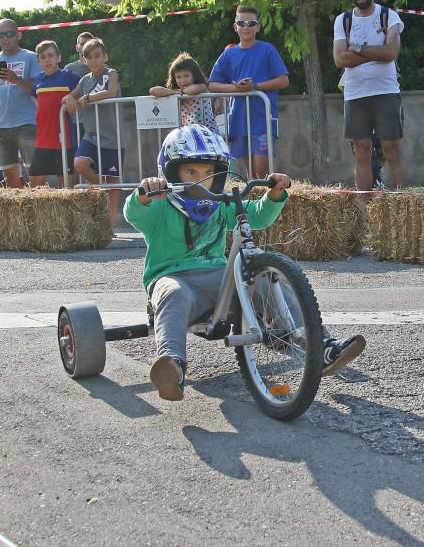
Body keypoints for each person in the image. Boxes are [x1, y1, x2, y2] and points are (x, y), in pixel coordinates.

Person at [124, 124, 366, 401]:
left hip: (219, 280)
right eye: (191, 172)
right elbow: (133, 212)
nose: (201, 182)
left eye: (208, 174)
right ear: (169, 172)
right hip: (174, 279)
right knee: (173, 293)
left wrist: (273, 195)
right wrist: (144, 193)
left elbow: (258, 217)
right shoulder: (158, 206)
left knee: (263, 278)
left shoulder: (220, 203)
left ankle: (320, 346)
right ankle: (172, 367)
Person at [333, 0, 407, 191]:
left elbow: (391, 53)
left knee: (391, 149)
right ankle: (364, 209)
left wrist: (356, 49)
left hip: (386, 92)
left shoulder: (389, 15)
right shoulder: (343, 20)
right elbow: (339, 59)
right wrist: (377, 51)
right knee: (361, 152)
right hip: (355, 94)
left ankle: (400, 206)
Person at [208, 7, 290, 179]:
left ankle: (266, 204)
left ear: (258, 26)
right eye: (241, 23)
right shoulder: (228, 54)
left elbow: (283, 80)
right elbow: (213, 84)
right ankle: (253, 205)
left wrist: (255, 87)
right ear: (235, 26)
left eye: (250, 23)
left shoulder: (267, 49)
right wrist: (234, 88)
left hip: (262, 119)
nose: (246, 27)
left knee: (261, 174)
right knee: (251, 175)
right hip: (239, 119)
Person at [62, 37, 124, 224]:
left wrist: (87, 98)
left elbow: (111, 92)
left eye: (97, 56)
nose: (94, 60)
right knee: (80, 164)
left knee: (114, 182)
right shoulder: (83, 79)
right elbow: (68, 97)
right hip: (91, 135)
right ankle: (100, 185)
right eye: (89, 57)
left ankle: (109, 225)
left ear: (105, 56)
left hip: (113, 136)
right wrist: (70, 99)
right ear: (84, 60)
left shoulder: (111, 73)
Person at [0, 18, 42, 189]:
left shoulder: (31, 57)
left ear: (18, 35)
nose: (5, 38)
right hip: (1, 127)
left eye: (10, 34)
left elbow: (39, 89)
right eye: (1, 35)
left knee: (35, 175)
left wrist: (17, 80)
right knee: (9, 178)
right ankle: (22, 215)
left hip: (27, 124)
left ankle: (36, 213)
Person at [30, 41, 81, 188]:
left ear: (58, 58)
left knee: (66, 185)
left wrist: (72, 97)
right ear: (39, 61)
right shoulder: (38, 79)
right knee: (34, 184)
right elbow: (33, 94)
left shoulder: (69, 77)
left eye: (51, 55)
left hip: (64, 139)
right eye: (43, 57)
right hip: (42, 138)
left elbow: (83, 86)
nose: (47, 60)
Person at [150, 52, 217, 132]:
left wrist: (180, 92)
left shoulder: (202, 86)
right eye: (178, 77)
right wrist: (173, 92)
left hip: (207, 133)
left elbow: (193, 90)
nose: (182, 80)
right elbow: (153, 91)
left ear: (195, 76)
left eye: (186, 76)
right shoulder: (176, 92)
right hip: (187, 134)